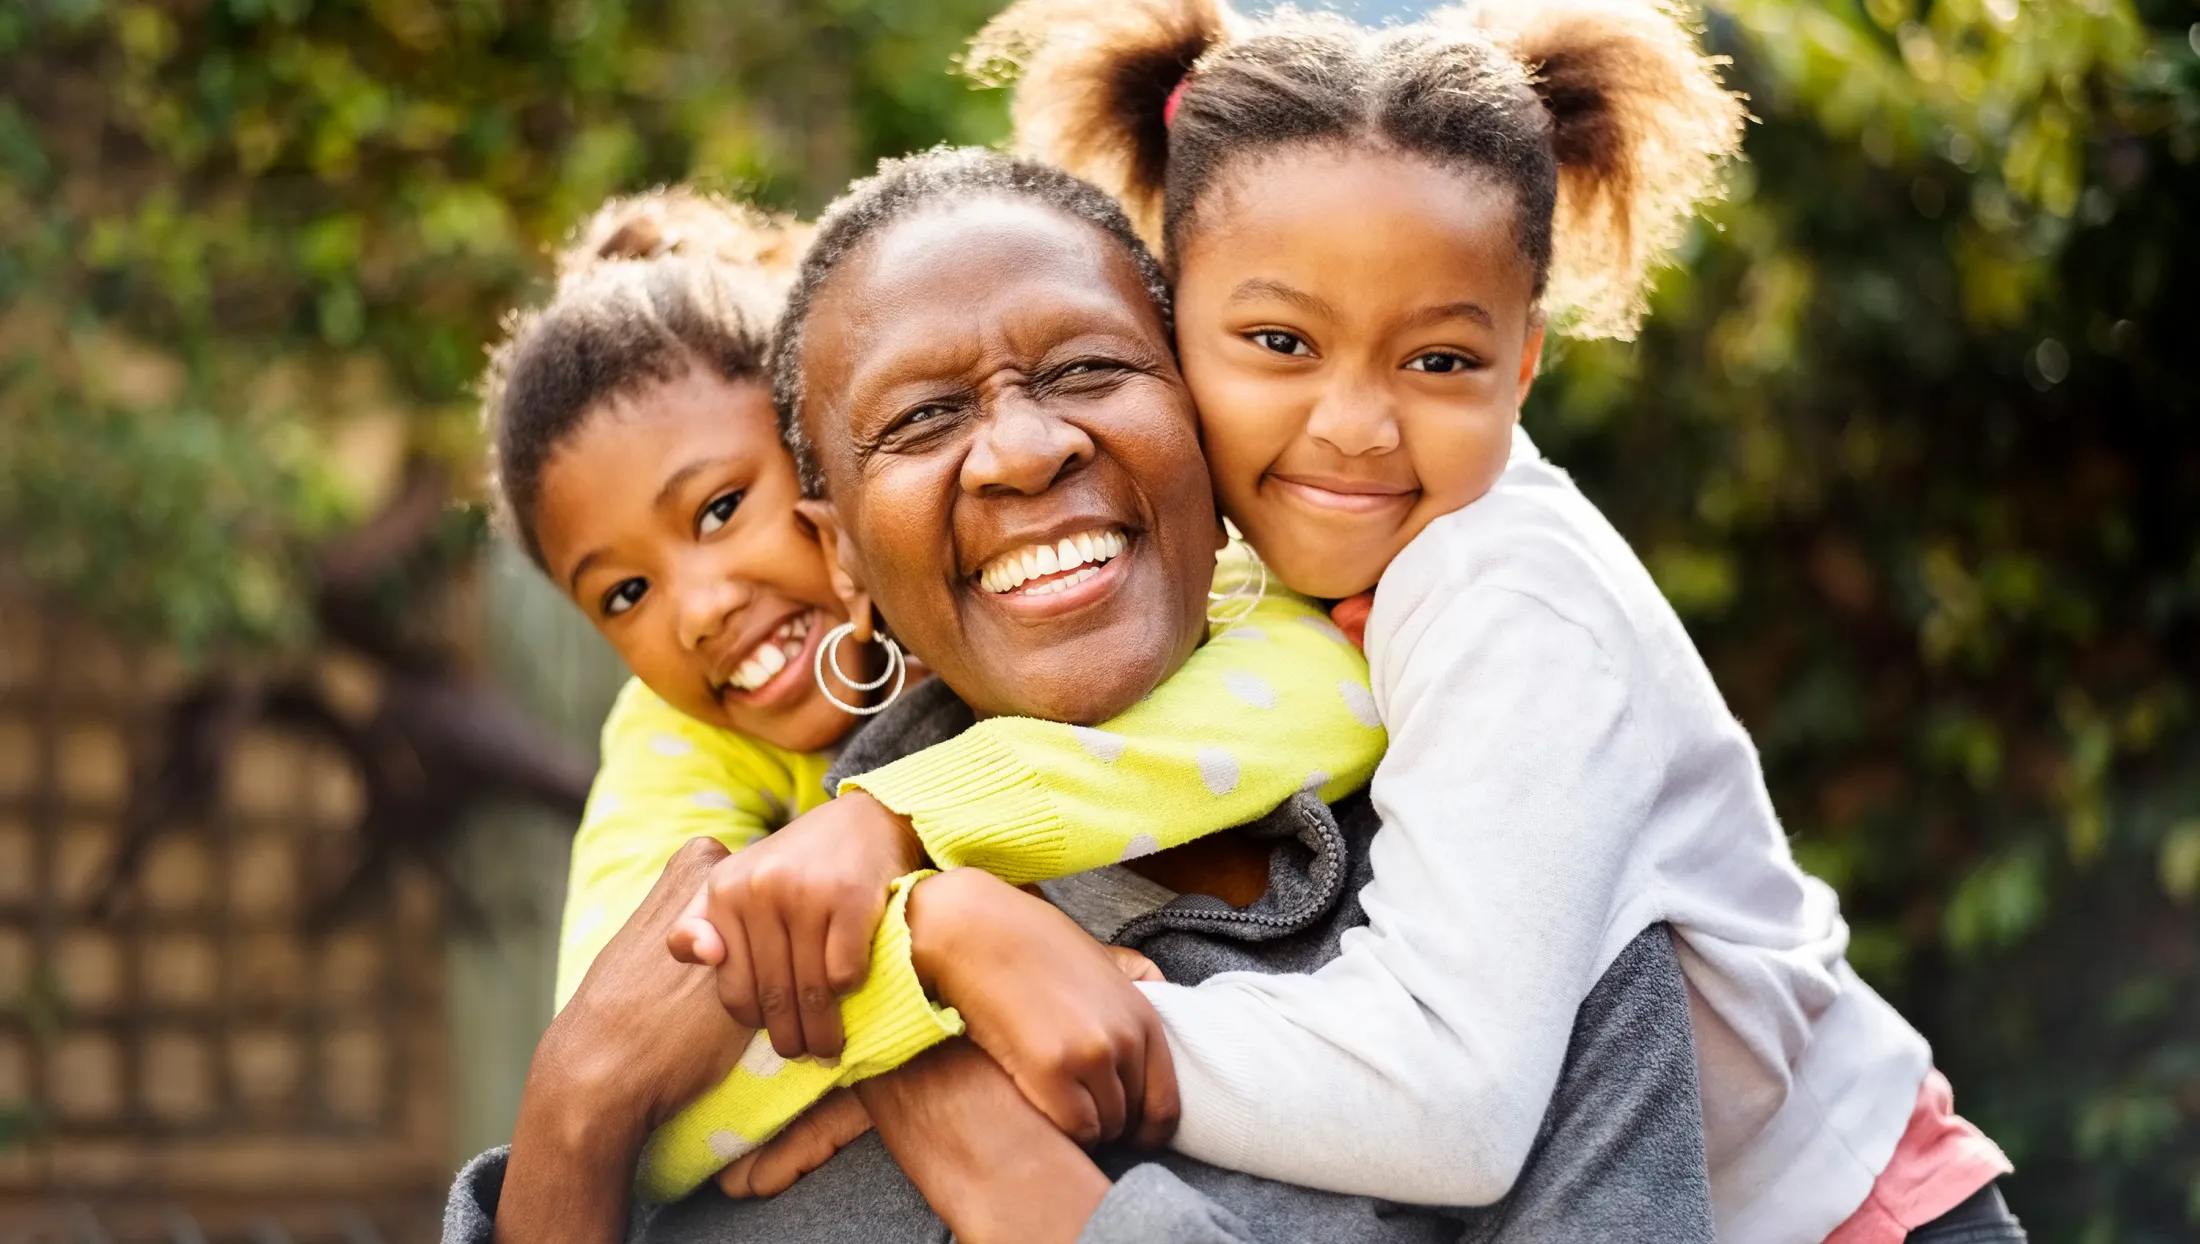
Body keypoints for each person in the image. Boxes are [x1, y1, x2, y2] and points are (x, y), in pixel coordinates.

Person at [443, 146, 1716, 1244]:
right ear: (841, 547)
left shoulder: (1509, 891)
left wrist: (1025, 1186)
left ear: (1204, 413)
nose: (1022, 445)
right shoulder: (776, 977)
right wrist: (582, 1101)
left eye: (1090, 369)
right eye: (922, 417)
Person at [955, 0, 2026, 1240]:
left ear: (1522, 365)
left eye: (1441, 362)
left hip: (1840, 1213)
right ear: (1164, 321)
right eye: (1279, 340)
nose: (1354, 423)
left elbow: (1452, 1098)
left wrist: (1093, 1018)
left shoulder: (1503, 596)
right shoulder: (1262, 549)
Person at [479, 186, 1384, 1199]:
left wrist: (903, 827)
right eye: (624, 592)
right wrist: (928, 962)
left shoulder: (1162, 571)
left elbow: (1331, 690)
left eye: (724, 506)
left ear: (824, 464)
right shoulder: (673, 737)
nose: (695, 607)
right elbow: (628, 1040)